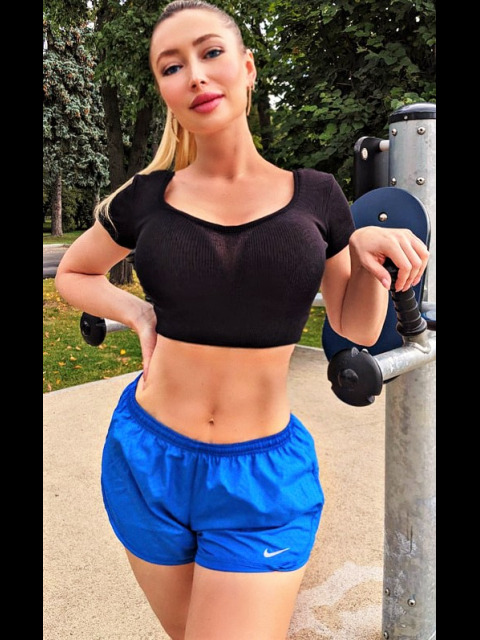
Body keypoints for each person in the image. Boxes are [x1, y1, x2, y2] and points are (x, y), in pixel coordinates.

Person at [55, 1, 430, 638]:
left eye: (210, 52)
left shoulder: (318, 195)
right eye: (172, 66)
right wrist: (138, 312)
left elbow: (357, 328)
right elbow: (74, 272)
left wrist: (366, 257)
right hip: (147, 456)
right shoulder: (147, 197)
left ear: (248, 68)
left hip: (260, 480)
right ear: (164, 90)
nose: (196, 75)